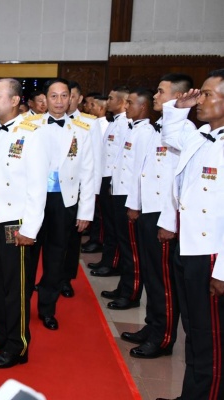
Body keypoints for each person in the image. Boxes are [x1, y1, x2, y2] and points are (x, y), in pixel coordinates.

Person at [0, 78, 48, 368]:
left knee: (15, 285)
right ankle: (0, 333)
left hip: (14, 222)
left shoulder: (32, 134)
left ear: (15, 100)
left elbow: (38, 186)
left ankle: (17, 344)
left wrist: (30, 229)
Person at [157, 69, 224, 399]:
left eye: (208, 95)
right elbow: (171, 134)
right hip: (189, 247)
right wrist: (180, 107)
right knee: (195, 331)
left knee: (211, 337)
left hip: (212, 254)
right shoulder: (201, 136)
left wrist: (222, 271)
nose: (201, 100)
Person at [120, 74, 194, 359]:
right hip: (149, 212)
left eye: (161, 92)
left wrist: (169, 222)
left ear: (178, 97)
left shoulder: (184, 131)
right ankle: (152, 326)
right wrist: (135, 205)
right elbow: (144, 172)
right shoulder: (157, 128)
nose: (155, 97)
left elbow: (177, 183)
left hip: (163, 216)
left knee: (164, 282)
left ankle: (163, 338)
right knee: (152, 276)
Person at [29, 79, 95, 330]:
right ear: (45, 99)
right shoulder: (29, 126)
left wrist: (85, 210)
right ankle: (21, 304)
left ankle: (47, 309)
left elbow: (88, 172)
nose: (59, 101)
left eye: (64, 96)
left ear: (71, 99)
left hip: (64, 201)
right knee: (28, 254)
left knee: (56, 256)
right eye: (53, 96)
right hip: (34, 199)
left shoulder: (82, 130)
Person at [100, 88, 156, 311]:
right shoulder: (132, 129)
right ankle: (123, 287)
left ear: (142, 106)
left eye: (130, 103)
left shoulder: (146, 133)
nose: (126, 106)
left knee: (131, 248)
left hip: (130, 196)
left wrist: (135, 204)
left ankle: (131, 293)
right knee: (123, 244)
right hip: (119, 192)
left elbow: (141, 171)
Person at [59, 82, 103, 297]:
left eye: (70, 96)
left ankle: (66, 279)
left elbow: (94, 163)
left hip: (76, 191)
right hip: (52, 191)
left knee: (71, 239)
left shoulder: (88, 124)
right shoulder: (45, 121)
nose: (65, 100)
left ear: (78, 98)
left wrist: (89, 202)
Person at [89, 86, 130, 277]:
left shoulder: (125, 124)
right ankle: (108, 259)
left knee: (114, 225)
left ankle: (112, 263)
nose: (108, 102)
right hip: (106, 177)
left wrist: (112, 181)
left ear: (121, 102)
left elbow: (121, 157)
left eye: (112, 98)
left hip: (114, 179)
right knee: (108, 223)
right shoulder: (114, 122)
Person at [81, 93, 110, 254]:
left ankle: (97, 239)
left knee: (99, 213)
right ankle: (94, 236)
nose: (88, 108)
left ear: (101, 108)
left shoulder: (105, 126)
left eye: (92, 105)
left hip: (102, 173)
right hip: (92, 172)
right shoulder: (91, 123)